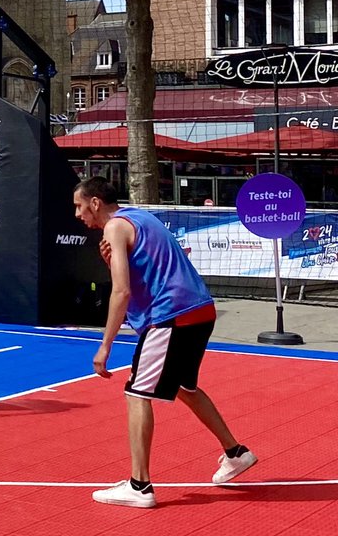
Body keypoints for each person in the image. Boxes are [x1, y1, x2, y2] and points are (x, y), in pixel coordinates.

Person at [74, 177, 257, 508]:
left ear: (95, 203)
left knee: (136, 393)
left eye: (79, 206)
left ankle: (139, 486)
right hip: (200, 309)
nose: (78, 214)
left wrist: (105, 345)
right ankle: (236, 453)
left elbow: (121, 290)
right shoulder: (140, 217)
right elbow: (148, 266)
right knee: (185, 387)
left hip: (172, 314)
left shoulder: (114, 227)